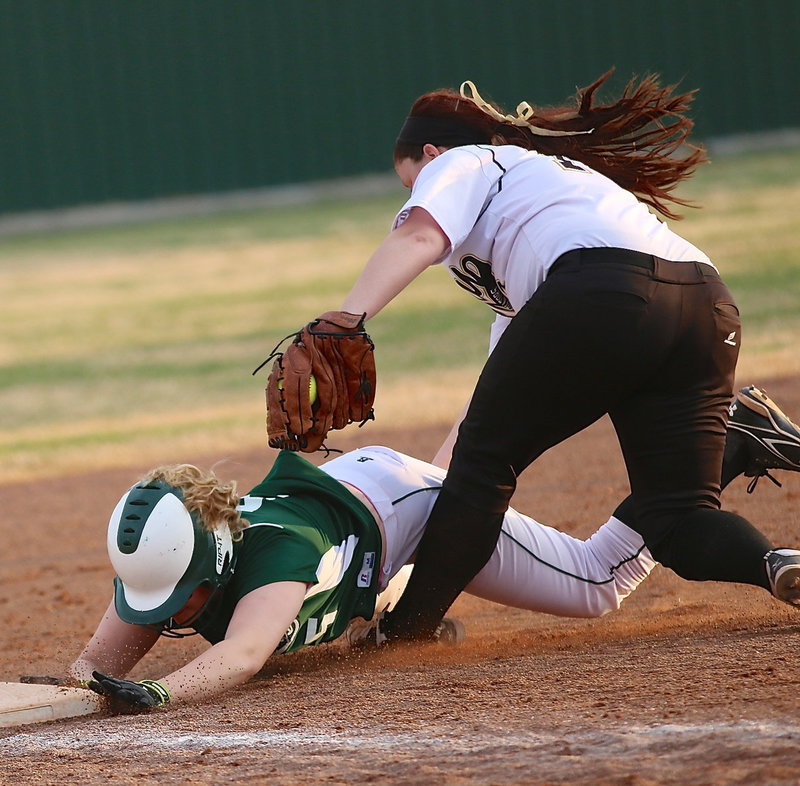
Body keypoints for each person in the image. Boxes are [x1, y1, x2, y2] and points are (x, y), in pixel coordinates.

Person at [325, 70, 800, 642]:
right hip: (706, 304)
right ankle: (773, 562)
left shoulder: (463, 161)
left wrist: (341, 322)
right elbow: (482, 423)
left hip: (603, 292)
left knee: (484, 472)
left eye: (412, 184)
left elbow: (420, 238)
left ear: (430, 153)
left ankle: (409, 631)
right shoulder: (542, 201)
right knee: (675, 517)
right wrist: (441, 486)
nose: (417, 197)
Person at [70, 386, 800, 711]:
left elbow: (244, 654)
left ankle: (724, 441)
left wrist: (162, 691)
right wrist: (82, 686)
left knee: (595, 584)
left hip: (406, 512)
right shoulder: (173, 558)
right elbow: (93, 669)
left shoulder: (274, 555)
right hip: (361, 515)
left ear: (219, 562)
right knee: (379, 610)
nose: (166, 614)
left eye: (180, 596)